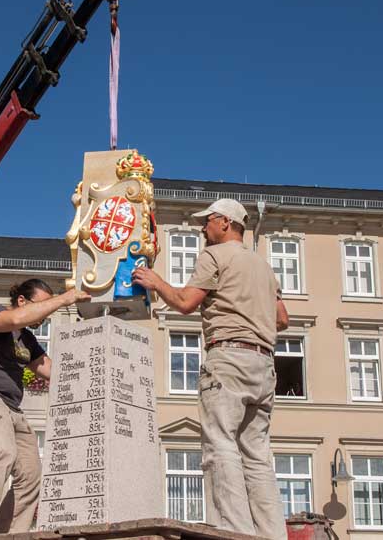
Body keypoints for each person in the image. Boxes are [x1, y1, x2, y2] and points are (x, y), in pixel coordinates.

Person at [132, 198, 289, 540]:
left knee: (220, 444)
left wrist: (156, 282)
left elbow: (186, 302)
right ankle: (272, 533)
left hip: (228, 357)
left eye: (208, 221)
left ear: (225, 223)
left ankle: (235, 531)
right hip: (263, 363)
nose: (203, 228)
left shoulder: (214, 255)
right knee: (257, 454)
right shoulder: (263, 266)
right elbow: (282, 319)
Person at [0, 279, 90, 536]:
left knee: (30, 474)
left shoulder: (26, 340)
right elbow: (15, 319)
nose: (44, 315)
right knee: (3, 453)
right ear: (21, 301)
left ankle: (7, 534)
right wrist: (64, 299)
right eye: (42, 306)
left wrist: (92, 365)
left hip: (12, 410)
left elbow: (51, 370)